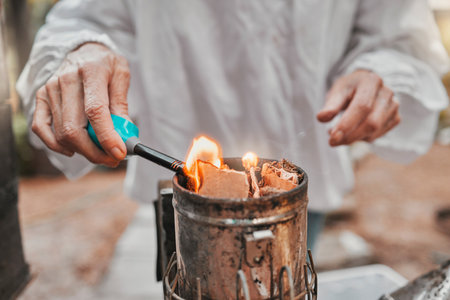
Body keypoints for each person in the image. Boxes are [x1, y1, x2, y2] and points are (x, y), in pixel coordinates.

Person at [18, 0, 448, 258]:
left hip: (305, 169)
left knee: (282, 278)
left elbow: (399, 35)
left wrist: (381, 70)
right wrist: (83, 48)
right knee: (195, 278)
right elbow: (84, 17)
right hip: (178, 190)